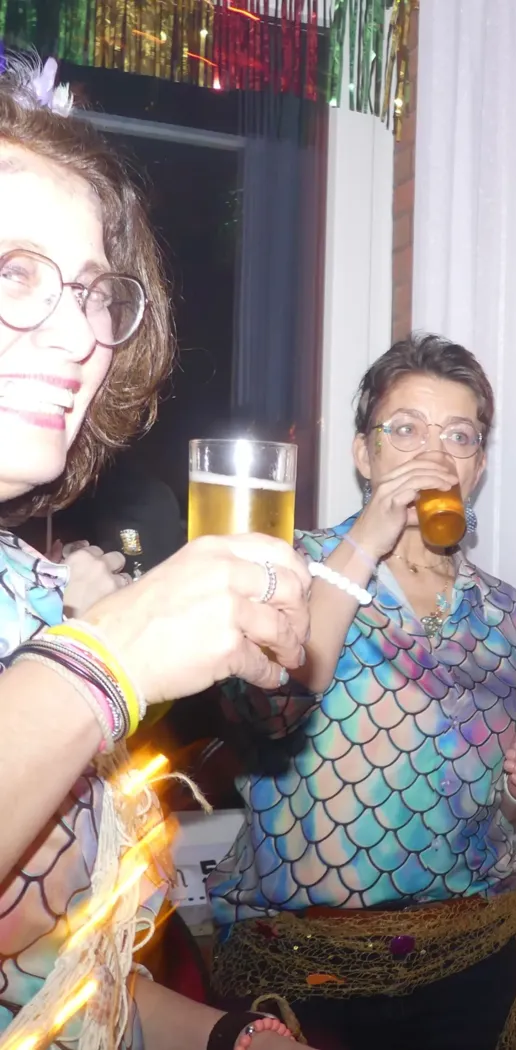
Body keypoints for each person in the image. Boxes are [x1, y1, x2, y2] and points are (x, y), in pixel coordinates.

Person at [0, 52, 313, 1050]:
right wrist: (114, 650)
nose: (77, 335)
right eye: (14, 271)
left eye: (94, 290)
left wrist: (226, 1037)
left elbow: (56, 994)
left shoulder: (25, 593)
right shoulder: (74, 637)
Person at [207, 334, 516, 1050]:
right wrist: (366, 544)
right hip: (307, 971)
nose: (433, 453)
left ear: (477, 466)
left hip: (473, 960)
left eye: (458, 435)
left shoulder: (511, 616)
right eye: (405, 429)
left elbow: (505, 802)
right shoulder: (288, 567)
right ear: (363, 454)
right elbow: (264, 708)